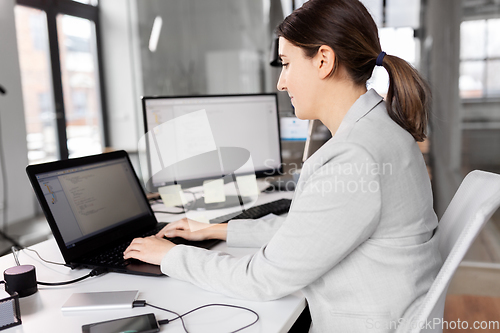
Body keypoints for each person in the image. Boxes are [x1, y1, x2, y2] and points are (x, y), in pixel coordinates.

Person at [124, 0, 441, 331]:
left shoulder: (354, 156)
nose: (281, 82)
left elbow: (262, 279)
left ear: (323, 60)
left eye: (287, 64)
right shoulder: (381, 130)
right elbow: (312, 231)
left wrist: (170, 257)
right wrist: (217, 229)